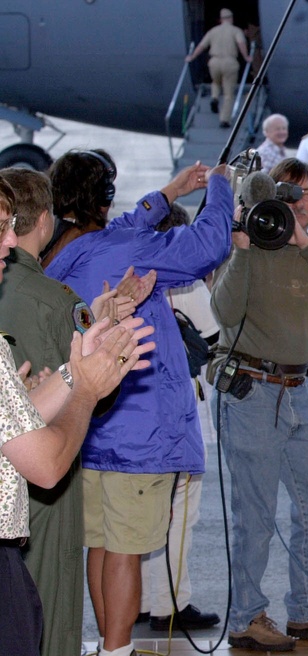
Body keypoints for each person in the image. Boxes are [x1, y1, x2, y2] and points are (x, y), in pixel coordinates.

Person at [46, 156, 232, 656]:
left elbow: (126, 227)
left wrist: (172, 190)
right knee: (127, 549)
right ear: (104, 200)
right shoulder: (124, 249)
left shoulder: (60, 252)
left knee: (101, 544)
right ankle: (119, 650)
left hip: (84, 426)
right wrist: (219, 187)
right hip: (139, 432)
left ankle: (107, 646)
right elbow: (206, 246)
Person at [0, 175, 156, 654]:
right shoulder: (55, 297)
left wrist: (73, 372)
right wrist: (86, 389)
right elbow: (46, 466)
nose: (9, 241)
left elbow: (14, 415)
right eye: (0, 228)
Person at [210, 157, 308, 651]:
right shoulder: (248, 252)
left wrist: (304, 241)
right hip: (252, 392)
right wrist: (247, 251)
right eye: (287, 196)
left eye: (306, 195)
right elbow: (224, 312)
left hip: (302, 393)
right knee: (254, 515)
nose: (298, 205)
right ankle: (247, 617)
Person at [140, 203, 221, 633]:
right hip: (175, 403)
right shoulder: (188, 279)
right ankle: (170, 602)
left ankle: (137, 597)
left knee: (141, 505)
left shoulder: (130, 266)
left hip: (135, 403)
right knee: (180, 507)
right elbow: (213, 336)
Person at [185, 8, 249, 128]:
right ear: (231, 18)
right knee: (228, 93)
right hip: (230, 62)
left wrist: (192, 57)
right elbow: (241, 44)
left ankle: (214, 97)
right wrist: (246, 57)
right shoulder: (236, 31)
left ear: (220, 19)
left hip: (214, 62)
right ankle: (224, 120)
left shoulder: (213, 31)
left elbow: (201, 46)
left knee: (216, 81)